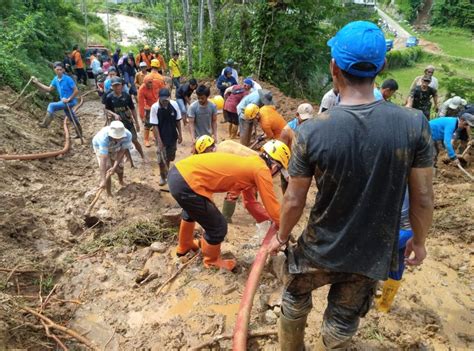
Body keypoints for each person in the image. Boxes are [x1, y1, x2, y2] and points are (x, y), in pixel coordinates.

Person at [269, 21, 434, 350]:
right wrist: (419, 240)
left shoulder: (313, 131)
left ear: (334, 68)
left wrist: (282, 236)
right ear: (382, 67)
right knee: (343, 320)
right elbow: (424, 197)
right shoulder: (414, 124)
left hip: (320, 247)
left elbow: (293, 200)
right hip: (371, 252)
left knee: (294, 297)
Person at [168, 139, 290, 271]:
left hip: (179, 173)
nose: (276, 175)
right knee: (218, 226)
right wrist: (284, 230)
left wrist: (271, 221)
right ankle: (212, 261)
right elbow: (272, 206)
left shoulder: (252, 163)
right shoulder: (261, 170)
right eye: (278, 172)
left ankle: (184, 246)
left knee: (192, 210)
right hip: (186, 182)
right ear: (274, 166)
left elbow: (249, 202)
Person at [193, 135, 274, 224]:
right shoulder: (224, 144)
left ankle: (226, 218)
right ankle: (265, 218)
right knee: (250, 197)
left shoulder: (219, 156)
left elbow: (230, 176)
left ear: (206, 149)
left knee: (236, 196)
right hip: (259, 163)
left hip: (254, 170)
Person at [375, 190, 414, 313]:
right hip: (411, 230)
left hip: (397, 229)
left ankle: (367, 295)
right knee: (397, 265)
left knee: (374, 258)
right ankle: (384, 305)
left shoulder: (400, 175)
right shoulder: (420, 177)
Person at [32, 62, 82, 137]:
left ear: (63, 70)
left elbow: (76, 91)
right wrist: (37, 83)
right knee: (71, 117)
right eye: (57, 70)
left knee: (51, 105)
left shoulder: (68, 79)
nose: (59, 71)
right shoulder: (55, 79)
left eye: (60, 70)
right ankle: (79, 133)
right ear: (54, 70)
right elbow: (49, 89)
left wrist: (68, 99)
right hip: (64, 102)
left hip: (70, 101)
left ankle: (45, 124)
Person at [104, 77, 145, 161]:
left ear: (121, 86)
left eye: (118, 85)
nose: (117, 87)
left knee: (134, 139)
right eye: (114, 86)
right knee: (121, 141)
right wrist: (114, 114)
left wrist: (137, 122)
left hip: (128, 121)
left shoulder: (126, 96)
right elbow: (106, 109)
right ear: (112, 87)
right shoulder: (109, 97)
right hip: (117, 123)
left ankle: (142, 156)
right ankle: (128, 157)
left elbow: (133, 109)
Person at [149, 88, 183, 186]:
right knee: (160, 159)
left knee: (169, 157)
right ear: (159, 98)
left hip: (172, 136)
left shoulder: (174, 105)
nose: (165, 102)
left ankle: (167, 171)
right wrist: (159, 141)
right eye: (163, 100)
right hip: (161, 136)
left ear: (169, 98)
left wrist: (180, 134)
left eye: (166, 99)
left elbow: (178, 121)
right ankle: (163, 176)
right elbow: (154, 126)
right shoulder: (155, 108)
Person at [279, 103, 314, 193]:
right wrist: (285, 174)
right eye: (303, 119)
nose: (306, 122)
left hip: (303, 165)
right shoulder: (287, 131)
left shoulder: (311, 128)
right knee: (288, 193)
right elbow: (280, 155)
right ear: (297, 115)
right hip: (289, 165)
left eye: (308, 119)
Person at [92, 121, 133, 195]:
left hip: (116, 147)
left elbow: (122, 151)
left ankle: (121, 181)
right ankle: (109, 193)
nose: (118, 139)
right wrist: (103, 180)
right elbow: (103, 160)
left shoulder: (128, 135)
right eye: (116, 137)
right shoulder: (103, 137)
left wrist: (114, 166)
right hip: (99, 146)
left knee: (120, 166)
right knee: (107, 167)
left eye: (120, 137)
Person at [138, 78, 159, 147]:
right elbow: (141, 103)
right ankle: (146, 139)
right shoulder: (141, 89)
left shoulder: (155, 84)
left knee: (156, 123)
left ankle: (154, 135)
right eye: (148, 83)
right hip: (148, 107)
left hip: (157, 105)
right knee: (148, 123)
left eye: (151, 82)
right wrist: (142, 116)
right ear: (145, 83)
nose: (150, 84)